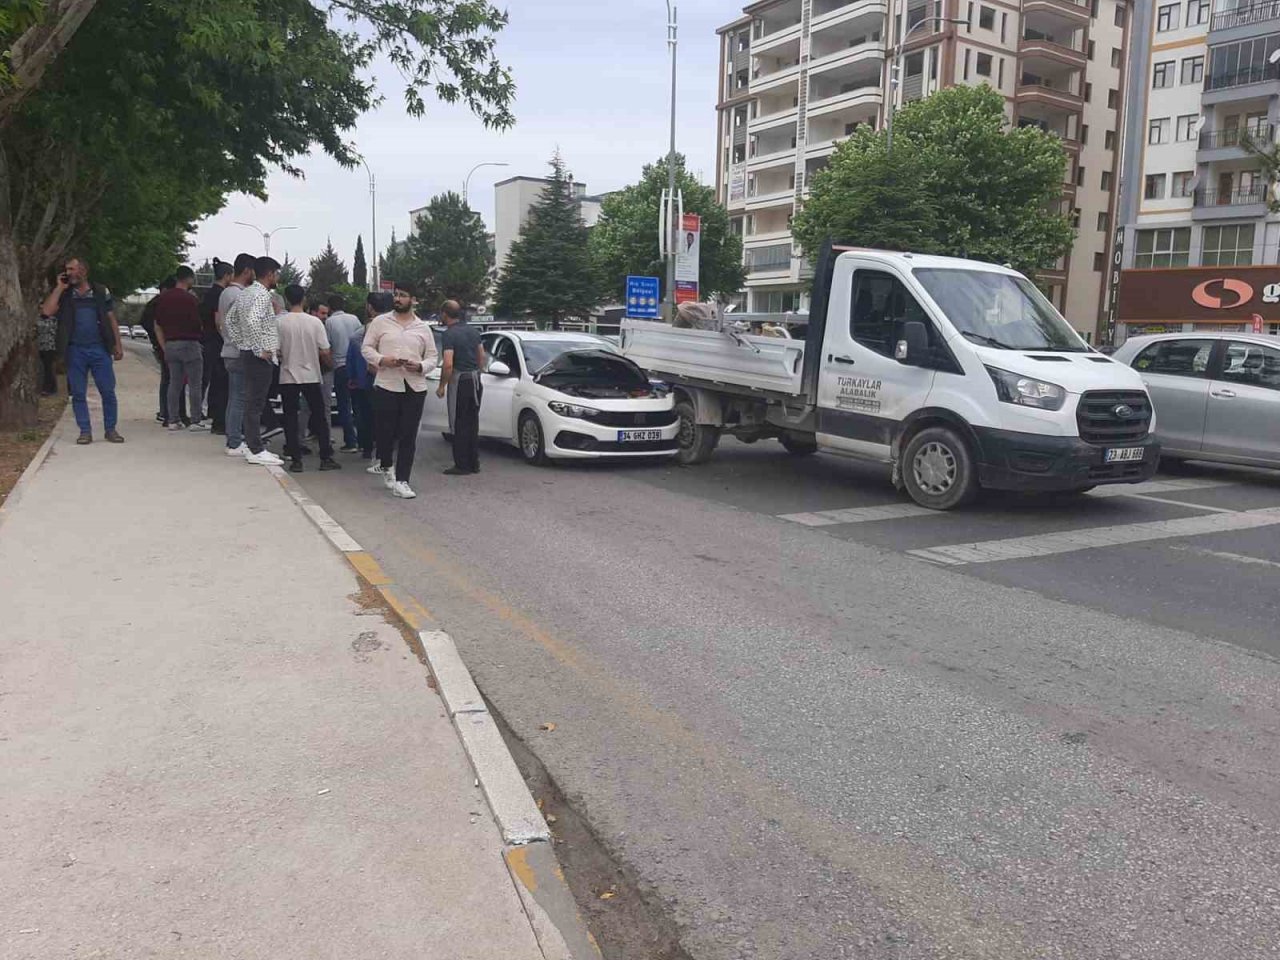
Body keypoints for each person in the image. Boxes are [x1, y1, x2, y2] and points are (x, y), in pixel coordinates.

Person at [361, 283, 437, 499]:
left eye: (403, 296)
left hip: (415, 386)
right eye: (396, 295)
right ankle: (385, 464)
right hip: (387, 384)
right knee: (385, 433)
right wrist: (382, 360)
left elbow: (433, 357)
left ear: (413, 300)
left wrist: (421, 366)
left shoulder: (423, 328)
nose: (398, 299)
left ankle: (403, 480)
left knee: (408, 435)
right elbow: (366, 348)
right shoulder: (380, 322)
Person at [40, 256, 124, 445]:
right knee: (78, 393)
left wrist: (117, 345)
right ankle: (85, 431)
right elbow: (47, 311)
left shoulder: (101, 291)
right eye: (67, 270)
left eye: (71, 269)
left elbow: (111, 319)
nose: (68, 273)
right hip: (75, 350)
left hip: (100, 349)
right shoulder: (65, 293)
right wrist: (59, 288)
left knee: (108, 391)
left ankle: (110, 429)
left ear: (83, 271)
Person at [276, 284, 341, 473]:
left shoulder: (280, 322)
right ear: (304, 299)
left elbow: (276, 351)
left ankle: (295, 459)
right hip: (311, 374)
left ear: (287, 300)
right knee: (319, 415)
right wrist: (330, 366)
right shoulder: (314, 323)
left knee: (290, 417)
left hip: (288, 374)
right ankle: (325, 456)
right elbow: (325, 350)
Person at [226, 256, 284, 466]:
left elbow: (230, 320)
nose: (277, 277)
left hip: (247, 352)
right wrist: (260, 349)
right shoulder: (261, 295)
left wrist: (241, 342)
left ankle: (251, 445)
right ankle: (256, 449)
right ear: (269, 274)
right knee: (255, 403)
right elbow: (251, 321)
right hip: (259, 356)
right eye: (276, 273)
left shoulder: (246, 293)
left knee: (250, 401)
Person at [154, 266, 209, 432]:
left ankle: (172, 420)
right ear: (189, 279)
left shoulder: (163, 298)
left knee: (174, 383)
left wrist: (164, 346)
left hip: (171, 344)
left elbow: (157, 324)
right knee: (194, 384)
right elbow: (199, 323)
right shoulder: (191, 299)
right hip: (190, 343)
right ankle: (195, 420)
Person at [436, 300, 487, 476]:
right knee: (472, 423)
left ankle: (461, 465)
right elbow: (481, 356)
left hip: (461, 381)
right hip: (475, 380)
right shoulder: (473, 331)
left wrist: (442, 385)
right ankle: (474, 462)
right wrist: (479, 373)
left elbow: (448, 364)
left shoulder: (449, 334)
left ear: (445, 314)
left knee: (459, 423)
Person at [217, 253, 256, 457]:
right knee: (240, 398)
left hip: (229, 350)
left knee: (235, 397)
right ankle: (234, 441)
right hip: (239, 352)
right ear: (248, 271)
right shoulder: (239, 295)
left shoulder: (226, 293)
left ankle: (233, 438)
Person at [345, 292, 387, 461]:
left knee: (365, 414)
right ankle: (385, 448)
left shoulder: (358, 335)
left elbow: (352, 358)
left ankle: (367, 447)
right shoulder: (393, 327)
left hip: (366, 379)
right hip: (388, 378)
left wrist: (352, 377)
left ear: (369, 307)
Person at [325, 293, 363, 452]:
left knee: (344, 405)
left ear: (330, 307)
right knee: (359, 405)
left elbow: (327, 345)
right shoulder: (354, 319)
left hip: (340, 366)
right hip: (355, 365)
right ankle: (363, 440)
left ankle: (350, 441)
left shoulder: (329, 322)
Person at [202, 259, 232, 434]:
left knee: (215, 381)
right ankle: (220, 421)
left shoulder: (209, 294)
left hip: (209, 341)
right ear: (227, 275)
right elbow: (218, 320)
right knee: (222, 384)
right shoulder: (220, 294)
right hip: (218, 342)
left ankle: (215, 416)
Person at [37, 308, 58, 396]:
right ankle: (45, 387)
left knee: (48, 368)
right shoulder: (39, 318)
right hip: (40, 346)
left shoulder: (53, 319)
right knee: (43, 368)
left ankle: (50, 389)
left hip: (49, 347)